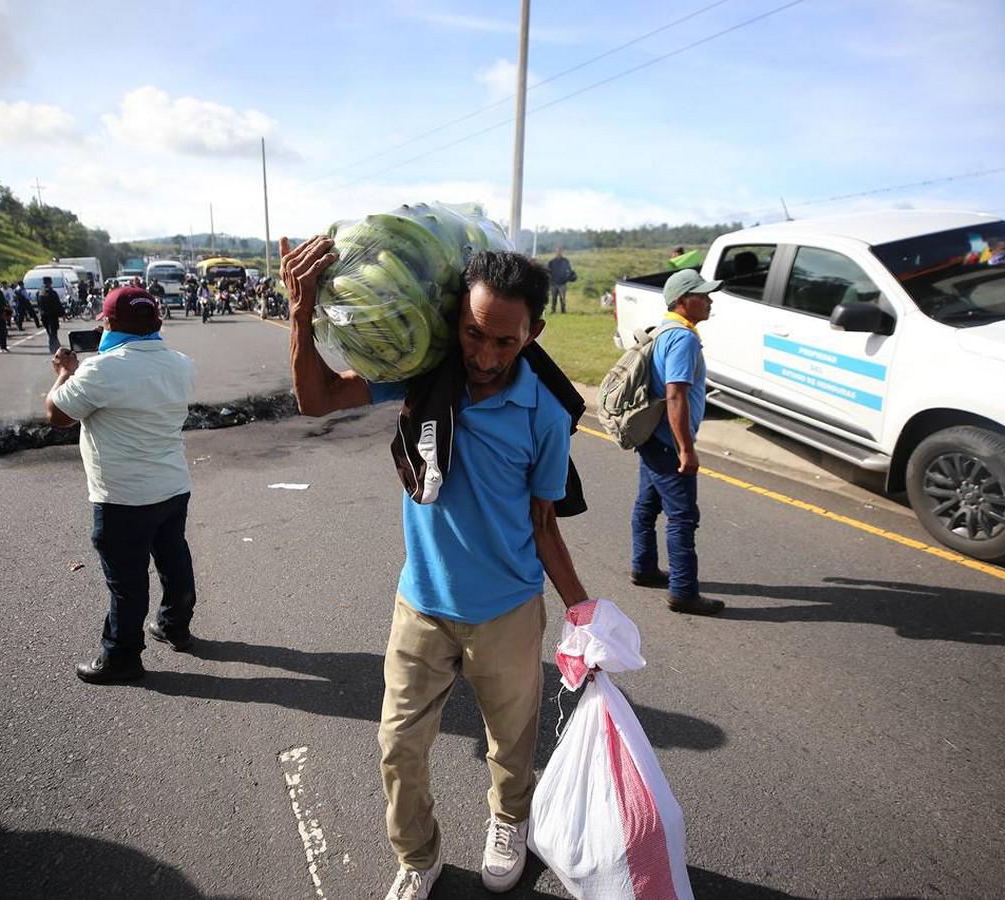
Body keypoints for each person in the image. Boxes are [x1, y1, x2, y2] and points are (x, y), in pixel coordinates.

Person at [283, 236, 591, 899]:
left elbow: (543, 523)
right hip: (421, 603)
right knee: (399, 745)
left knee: (511, 743)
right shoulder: (428, 370)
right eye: (474, 333)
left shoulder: (544, 414)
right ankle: (417, 856)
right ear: (456, 318)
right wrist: (301, 311)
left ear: (534, 332)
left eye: (505, 342)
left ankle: (509, 821)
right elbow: (316, 400)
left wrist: (585, 608)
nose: (484, 355)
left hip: (506, 611)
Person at [44, 286, 198, 684]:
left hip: (123, 496)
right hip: (172, 486)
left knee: (127, 580)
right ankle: (175, 626)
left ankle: (121, 657)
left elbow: (58, 415)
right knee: (173, 557)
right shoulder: (181, 364)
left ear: (108, 323)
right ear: (158, 323)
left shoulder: (101, 370)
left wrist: (64, 371)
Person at [629, 268, 725, 616]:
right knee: (683, 517)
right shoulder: (683, 338)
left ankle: (644, 567)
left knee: (647, 505)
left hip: (652, 438)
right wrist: (687, 448)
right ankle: (684, 591)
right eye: (704, 295)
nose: (710, 300)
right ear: (684, 301)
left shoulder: (666, 331)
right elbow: (676, 396)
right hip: (670, 443)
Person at [38, 276, 65, 353]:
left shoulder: (39, 292)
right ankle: (54, 347)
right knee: (53, 331)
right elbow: (58, 304)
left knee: (50, 332)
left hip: (44, 315)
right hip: (52, 315)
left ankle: (55, 346)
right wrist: (63, 314)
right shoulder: (52, 293)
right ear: (50, 283)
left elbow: (39, 305)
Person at [545, 247, 575, 314]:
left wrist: (570, 276)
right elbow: (547, 271)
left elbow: (569, 270)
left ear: (562, 252)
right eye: (557, 252)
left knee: (562, 298)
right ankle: (553, 310)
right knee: (554, 298)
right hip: (553, 283)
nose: (559, 253)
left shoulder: (565, 261)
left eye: (560, 251)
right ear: (555, 253)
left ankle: (563, 310)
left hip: (562, 283)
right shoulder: (551, 262)